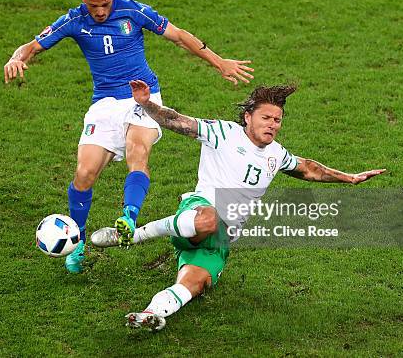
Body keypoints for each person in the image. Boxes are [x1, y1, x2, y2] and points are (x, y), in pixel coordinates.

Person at [3, 0, 254, 273]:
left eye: (105, 4)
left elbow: (178, 36)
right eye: (93, 5)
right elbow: (31, 47)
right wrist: (16, 58)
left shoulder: (133, 11)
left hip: (143, 97)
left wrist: (219, 63)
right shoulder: (73, 20)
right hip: (105, 103)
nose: (100, 11)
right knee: (84, 173)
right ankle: (78, 242)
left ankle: (129, 218)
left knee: (138, 150)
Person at [91, 80, 386, 331]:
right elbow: (177, 121)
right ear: (248, 117)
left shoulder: (276, 154)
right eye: (266, 118)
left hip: (220, 238)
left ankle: (151, 315)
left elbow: (307, 168)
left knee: (194, 285)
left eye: (277, 120)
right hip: (198, 211)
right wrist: (147, 104)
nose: (272, 124)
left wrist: (348, 178)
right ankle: (131, 235)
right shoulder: (222, 133)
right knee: (209, 219)